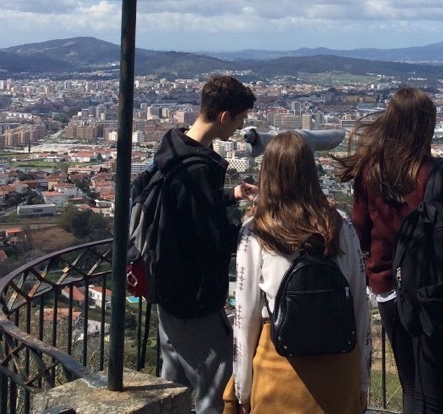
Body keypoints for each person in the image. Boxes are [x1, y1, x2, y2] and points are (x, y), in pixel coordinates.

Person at [335, 87, 443, 414]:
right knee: (434, 389)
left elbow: (358, 230)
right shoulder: (440, 172)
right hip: (434, 293)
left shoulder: (371, 170)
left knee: (411, 382)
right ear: (426, 125)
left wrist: (376, 265)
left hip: (387, 288)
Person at [232, 131, 371, 414]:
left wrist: (241, 388)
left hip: (278, 368)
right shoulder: (340, 227)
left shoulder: (256, 232)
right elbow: (359, 306)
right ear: (311, 171)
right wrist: (363, 381)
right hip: (338, 370)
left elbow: (244, 317)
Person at [152, 75, 258, 414]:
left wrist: (230, 195)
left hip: (167, 290)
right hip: (195, 298)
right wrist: (254, 225)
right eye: (240, 119)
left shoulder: (175, 148)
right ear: (224, 116)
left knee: (172, 386)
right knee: (217, 388)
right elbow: (216, 238)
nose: (240, 127)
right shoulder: (199, 168)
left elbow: (188, 205)